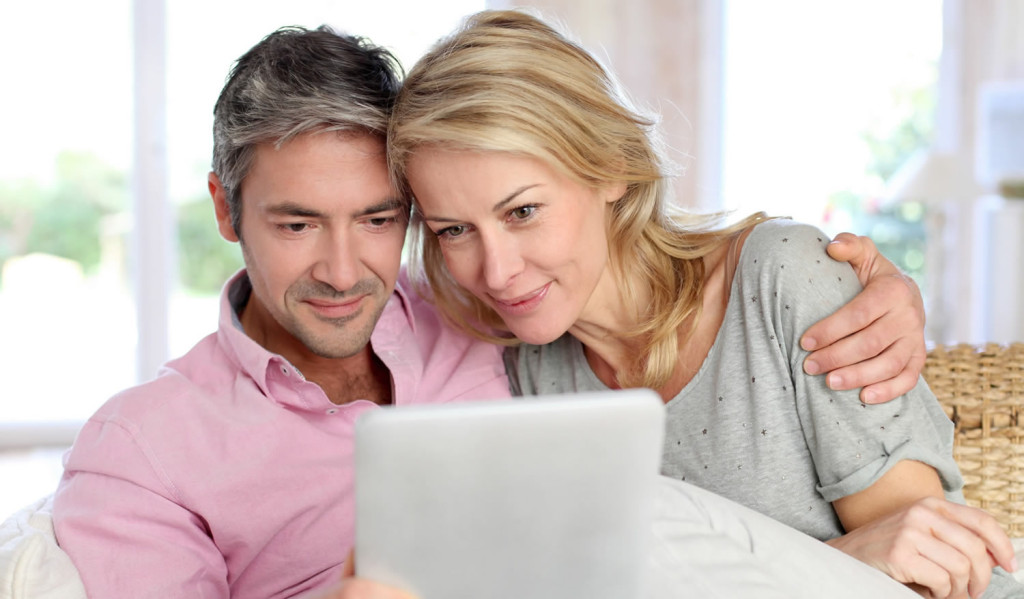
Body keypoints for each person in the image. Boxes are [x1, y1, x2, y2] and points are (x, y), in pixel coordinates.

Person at [48, 21, 932, 599]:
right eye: (295, 223)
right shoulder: (144, 447)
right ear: (224, 208)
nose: (343, 268)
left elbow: (934, 553)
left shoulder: (483, 326)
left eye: (381, 219)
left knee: (630, 514)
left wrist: (875, 285)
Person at [387, 9, 1022, 598]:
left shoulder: (782, 281)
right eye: (454, 230)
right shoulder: (528, 371)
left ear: (610, 166)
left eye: (522, 211)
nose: (497, 273)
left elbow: (933, 569)